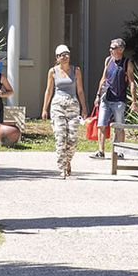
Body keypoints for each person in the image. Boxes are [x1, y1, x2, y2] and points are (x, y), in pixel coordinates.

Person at [41, 44, 86, 178]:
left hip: (72, 104)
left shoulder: (76, 70)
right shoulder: (53, 71)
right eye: (61, 55)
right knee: (60, 136)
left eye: (66, 54)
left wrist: (84, 108)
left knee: (72, 138)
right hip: (58, 105)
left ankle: (68, 161)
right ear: (57, 58)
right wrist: (44, 109)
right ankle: (62, 168)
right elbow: (48, 90)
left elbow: (80, 90)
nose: (65, 57)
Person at [91, 38, 134, 159]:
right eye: (110, 48)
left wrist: (134, 100)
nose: (111, 50)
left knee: (119, 126)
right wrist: (98, 95)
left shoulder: (127, 63)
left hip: (119, 100)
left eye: (113, 48)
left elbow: (131, 82)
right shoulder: (108, 60)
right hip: (106, 97)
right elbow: (103, 78)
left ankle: (120, 151)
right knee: (101, 124)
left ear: (121, 49)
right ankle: (101, 151)